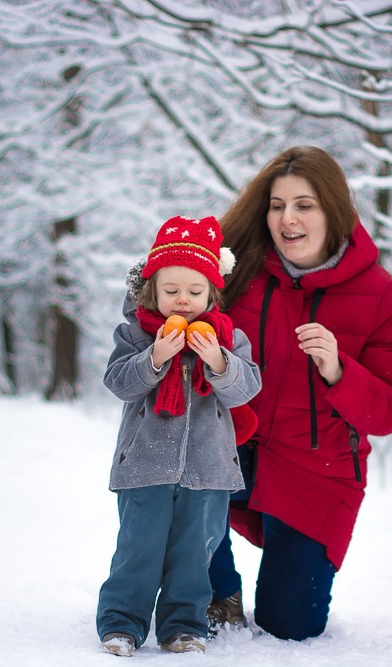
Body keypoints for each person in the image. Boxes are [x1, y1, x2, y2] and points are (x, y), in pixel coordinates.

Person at [206, 146, 392, 641]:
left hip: (315, 470)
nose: (288, 218)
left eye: (305, 204)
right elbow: (167, 293)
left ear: (333, 210)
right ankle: (218, 592)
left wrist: (340, 370)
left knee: (292, 625)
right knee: (167, 474)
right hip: (226, 452)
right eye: (277, 205)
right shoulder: (238, 272)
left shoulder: (379, 293)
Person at [96, 215, 262, 657]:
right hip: (145, 466)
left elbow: (247, 389)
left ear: (212, 293)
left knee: (194, 555)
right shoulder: (134, 335)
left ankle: (183, 627)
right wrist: (154, 357)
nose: (183, 301)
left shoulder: (229, 340)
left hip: (207, 471)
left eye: (194, 291)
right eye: (171, 291)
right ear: (152, 290)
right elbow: (118, 383)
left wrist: (220, 363)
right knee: (138, 551)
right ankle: (121, 624)